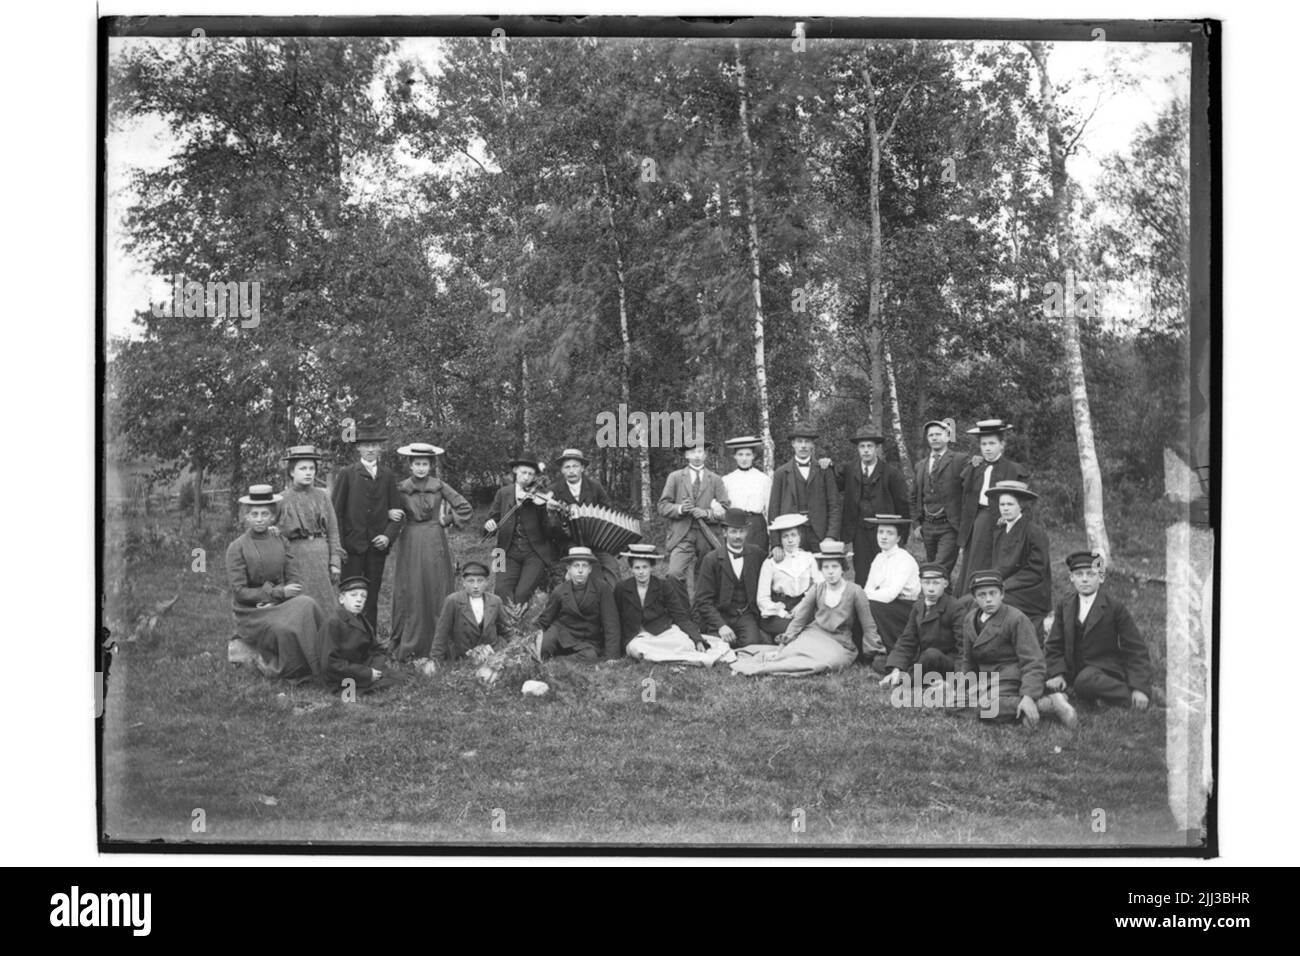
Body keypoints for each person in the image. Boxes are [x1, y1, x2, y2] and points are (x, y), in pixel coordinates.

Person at [730, 541, 879, 677]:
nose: (830, 572)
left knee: (827, 662)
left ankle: (778, 666)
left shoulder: (855, 591)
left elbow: (868, 625)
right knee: (792, 653)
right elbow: (799, 619)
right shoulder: (818, 588)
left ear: (843, 569)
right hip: (814, 634)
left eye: (835, 567)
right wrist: (784, 643)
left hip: (840, 642)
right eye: (826, 567)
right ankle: (774, 661)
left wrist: (875, 653)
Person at [225, 485, 326, 681]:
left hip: (279, 603)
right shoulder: (237, 547)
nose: (260, 518)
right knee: (285, 628)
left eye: (265, 514)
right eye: (254, 514)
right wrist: (275, 594)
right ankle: (288, 668)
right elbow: (239, 591)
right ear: (246, 517)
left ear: (273, 517)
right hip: (252, 612)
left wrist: (287, 592)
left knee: (308, 604)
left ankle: (321, 660)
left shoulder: (280, 540)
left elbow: (294, 576)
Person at [955, 570, 1076, 727]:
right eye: (982, 595)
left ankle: (1048, 703)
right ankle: (1036, 707)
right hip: (986, 679)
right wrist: (961, 687)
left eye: (993, 593)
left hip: (1012, 678)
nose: (988, 600)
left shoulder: (1016, 619)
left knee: (987, 707)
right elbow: (968, 660)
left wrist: (1028, 696)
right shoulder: (970, 619)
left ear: (1002, 594)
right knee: (954, 704)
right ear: (975, 597)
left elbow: (1034, 662)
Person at [390, 441, 474, 661]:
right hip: (409, 540)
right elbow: (387, 511)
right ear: (410, 465)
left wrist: (446, 520)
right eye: (417, 464)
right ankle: (409, 642)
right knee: (412, 587)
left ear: (431, 465)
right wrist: (392, 516)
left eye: (425, 464)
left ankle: (440, 643)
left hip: (435, 540)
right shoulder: (400, 488)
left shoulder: (439, 486)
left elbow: (464, 507)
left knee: (436, 586)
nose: (420, 468)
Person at [1045, 551, 1153, 709]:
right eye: (1079, 574)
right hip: (1072, 670)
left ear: (1101, 577)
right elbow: (1054, 644)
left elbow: (1135, 649)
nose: (1084, 579)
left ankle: (1133, 697)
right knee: (1043, 680)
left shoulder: (1114, 608)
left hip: (1104, 671)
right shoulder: (1065, 605)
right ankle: (1102, 700)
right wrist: (1058, 674)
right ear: (1071, 577)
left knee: (1085, 681)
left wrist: (1139, 687)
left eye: (1090, 574)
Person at [330, 420, 404, 632]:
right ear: (358, 448)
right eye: (366, 445)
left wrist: (388, 536)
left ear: (380, 448)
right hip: (351, 548)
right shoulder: (347, 474)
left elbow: (397, 513)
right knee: (350, 592)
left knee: (370, 595)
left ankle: (368, 639)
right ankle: (347, 636)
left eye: (374, 445)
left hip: (376, 548)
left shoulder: (388, 475)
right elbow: (336, 513)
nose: (370, 449)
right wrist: (340, 546)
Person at [616, 543, 731, 666]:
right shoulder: (622, 588)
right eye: (637, 568)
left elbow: (680, 615)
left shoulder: (662, 586)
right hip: (637, 636)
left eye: (645, 567)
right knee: (636, 648)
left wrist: (697, 639)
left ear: (651, 568)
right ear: (631, 569)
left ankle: (673, 658)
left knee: (685, 643)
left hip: (661, 631)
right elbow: (615, 618)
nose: (641, 572)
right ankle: (678, 659)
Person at [957, 419, 1028, 594]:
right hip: (977, 520)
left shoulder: (1013, 469)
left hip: (1001, 522)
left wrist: (1012, 515)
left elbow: (1025, 501)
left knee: (995, 563)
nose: (987, 448)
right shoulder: (976, 466)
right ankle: (969, 600)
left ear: (1002, 445)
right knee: (973, 561)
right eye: (983, 444)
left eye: (992, 443)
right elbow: (964, 495)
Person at [484, 452, 560, 606]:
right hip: (504, 552)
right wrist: (489, 524)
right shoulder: (503, 493)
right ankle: (508, 627)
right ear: (516, 470)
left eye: (531, 474)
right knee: (501, 591)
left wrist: (551, 513)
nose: (526, 477)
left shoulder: (540, 497)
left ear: (535, 477)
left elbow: (551, 532)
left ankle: (515, 624)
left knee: (522, 593)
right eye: (523, 472)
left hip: (534, 552)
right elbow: (492, 520)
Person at [275, 444, 343, 615]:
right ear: (292, 472)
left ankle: (326, 638)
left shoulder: (323, 497)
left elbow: (333, 531)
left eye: (311, 468)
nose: (308, 472)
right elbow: (272, 531)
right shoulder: (281, 499)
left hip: (320, 555)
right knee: (299, 601)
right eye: (303, 468)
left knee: (326, 602)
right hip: (295, 558)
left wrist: (335, 562)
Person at [837, 428, 910, 586]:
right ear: (858, 449)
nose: (866, 450)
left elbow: (902, 504)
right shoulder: (849, 470)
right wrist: (826, 466)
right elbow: (833, 485)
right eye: (862, 446)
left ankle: (883, 605)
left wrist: (902, 536)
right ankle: (863, 605)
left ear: (877, 448)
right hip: (859, 530)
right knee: (862, 570)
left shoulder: (891, 473)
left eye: (870, 446)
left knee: (885, 570)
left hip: (884, 530)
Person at [657, 438, 729, 599]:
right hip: (682, 535)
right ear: (686, 455)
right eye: (692, 452)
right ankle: (682, 613)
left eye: (700, 452)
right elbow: (662, 506)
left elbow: (725, 510)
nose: (697, 455)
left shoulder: (716, 480)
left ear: (706, 455)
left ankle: (701, 614)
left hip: (708, 535)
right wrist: (681, 509)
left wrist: (707, 513)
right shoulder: (675, 477)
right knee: (674, 574)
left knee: (704, 578)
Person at [878, 563, 970, 687]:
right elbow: (907, 640)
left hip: (946, 662)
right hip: (924, 659)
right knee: (880, 661)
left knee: (931, 655)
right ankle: (899, 675)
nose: (931, 588)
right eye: (926, 583)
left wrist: (956, 680)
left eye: (936, 583)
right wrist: (896, 668)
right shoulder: (919, 606)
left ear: (945, 584)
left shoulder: (955, 608)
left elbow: (964, 648)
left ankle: (904, 681)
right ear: (920, 583)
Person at [694, 508, 767, 648]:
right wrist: (721, 626)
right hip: (721, 615)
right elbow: (703, 600)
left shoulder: (756, 554)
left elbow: (774, 565)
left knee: (751, 644)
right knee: (717, 645)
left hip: (745, 614)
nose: (738, 536)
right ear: (725, 532)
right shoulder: (711, 559)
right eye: (733, 531)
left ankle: (754, 637)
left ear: (747, 532)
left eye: (741, 531)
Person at [549, 447, 621, 589]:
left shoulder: (595, 487)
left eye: (575, 466)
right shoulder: (554, 490)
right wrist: (552, 514)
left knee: (613, 569)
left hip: (597, 541)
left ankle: (613, 605)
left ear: (582, 468)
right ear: (562, 470)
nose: (571, 471)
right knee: (593, 570)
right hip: (569, 543)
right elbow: (551, 529)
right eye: (567, 467)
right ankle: (594, 600)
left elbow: (610, 512)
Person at [988, 480, 1052, 638]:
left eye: (1010, 504)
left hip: (1030, 591)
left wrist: (1005, 585)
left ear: (1020, 506)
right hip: (1005, 586)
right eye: (1002, 504)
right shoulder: (1001, 531)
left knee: (992, 604)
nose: (1005, 508)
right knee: (971, 600)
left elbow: (1036, 570)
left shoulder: (1033, 531)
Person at [767, 422, 841, 555]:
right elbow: (773, 509)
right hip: (791, 533)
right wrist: (776, 543)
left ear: (813, 445)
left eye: (807, 442)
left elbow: (834, 505)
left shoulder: (824, 470)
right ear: (793, 444)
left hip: (820, 534)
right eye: (799, 441)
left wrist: (831, 536)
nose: (803, 446)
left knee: (821, 573)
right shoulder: (781, 473)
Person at [538, 547, 622, 662]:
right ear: (569, 569)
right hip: (561, 632)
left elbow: (611, 623)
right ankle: (551, 656)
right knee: (543, 647)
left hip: (586, 639)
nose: (580, 570)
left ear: (590, 569)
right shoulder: (560, 590)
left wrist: (612, 656)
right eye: (576, 566)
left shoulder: (602, 588)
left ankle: (558, 661)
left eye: (584, 566)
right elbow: (544, 620)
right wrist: (530, 638)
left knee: (590, 657)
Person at [320, 576, 403, 693]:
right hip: (343, 676)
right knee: (390, 682)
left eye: (363, 596)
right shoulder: (333, 623)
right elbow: (330, 664)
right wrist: (367, 673)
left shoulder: (362, 619)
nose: (359, 600)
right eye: (353, 595)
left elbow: (374, 648)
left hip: (363, 666)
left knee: (401, 678)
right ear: (342, 599)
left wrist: (378, 665)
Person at [862, 514, 921, 671]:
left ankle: (893, 650)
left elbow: (890, 595)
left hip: (906, 608)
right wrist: (863, 597)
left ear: (898, 537)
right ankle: (865, 651)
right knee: (861, 604)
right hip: (883, 604)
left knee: (872, 605)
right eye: (880, 532)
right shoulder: (878, 558)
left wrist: (865, 597)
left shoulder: (904, 559)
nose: (884, 537)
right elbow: (868, 587)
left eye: (890, 533)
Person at [755, 513, 823, 640]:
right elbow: (762, 598)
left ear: (799, 537)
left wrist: (803, 605)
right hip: (779, 609)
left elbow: (819, 585)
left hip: (804, 606)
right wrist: (781, 612)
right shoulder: (770, 563)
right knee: (791, 629)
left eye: (793, 535)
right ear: (780, 540)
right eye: (785, 536)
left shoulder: (808, 558)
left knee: (813, 627)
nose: (790, 540)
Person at [911, 419, 963, 582]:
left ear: (947, 437)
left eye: (938, 434)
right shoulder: (921, 465)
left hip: (949, 526)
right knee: (937, 571)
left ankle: (940, 604)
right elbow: (914, 497)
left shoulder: (960, 460)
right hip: (928, 526)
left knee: (938, 570)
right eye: (931, 435)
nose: (934, 438)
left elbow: (970, 491)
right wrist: (917, 524)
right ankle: (944, 605)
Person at [431, 561, 505, 664]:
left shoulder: (495, 601)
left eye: (480, 581)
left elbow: (506, 630)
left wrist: (515, 650)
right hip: (463, 658)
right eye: (471, 581)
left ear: (486, 582)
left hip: (491, 656)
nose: (475, 586)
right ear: (463, 582)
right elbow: (441, 633)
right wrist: (435, 661)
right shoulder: (453, 601)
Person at [722, 435, 771, 547]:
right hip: (735, 523)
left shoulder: (763, 479)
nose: (744, 458)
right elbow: (722, 506)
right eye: (740, 454)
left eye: (748, 454)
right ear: (734, 456)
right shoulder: (727, 480)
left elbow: (769, 508)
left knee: (758, 557)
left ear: (753, 456)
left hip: (756, 525)